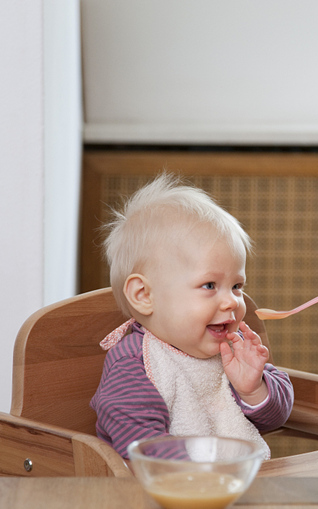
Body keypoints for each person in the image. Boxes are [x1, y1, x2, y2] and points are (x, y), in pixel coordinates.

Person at [90, 173, 294, 459]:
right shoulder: (136, 366)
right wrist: (203, 477)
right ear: (143, 295)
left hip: (237, 487)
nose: (232, 301)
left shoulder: (232, 349)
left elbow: (275, 419)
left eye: (237, 286)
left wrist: (253, 389)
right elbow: (143, 448)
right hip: (163, 495)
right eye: (209, 285)